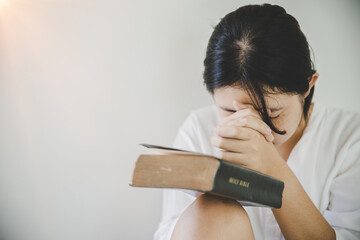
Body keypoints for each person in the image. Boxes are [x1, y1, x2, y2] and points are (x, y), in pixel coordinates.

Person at [154, 4, 360, 240]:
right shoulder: (199, 128)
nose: (248, 122)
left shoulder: (350, 139)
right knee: (212, 210)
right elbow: (166, 231)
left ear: (308, 86)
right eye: (230, 110)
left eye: (271, 112)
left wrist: (272, 168)